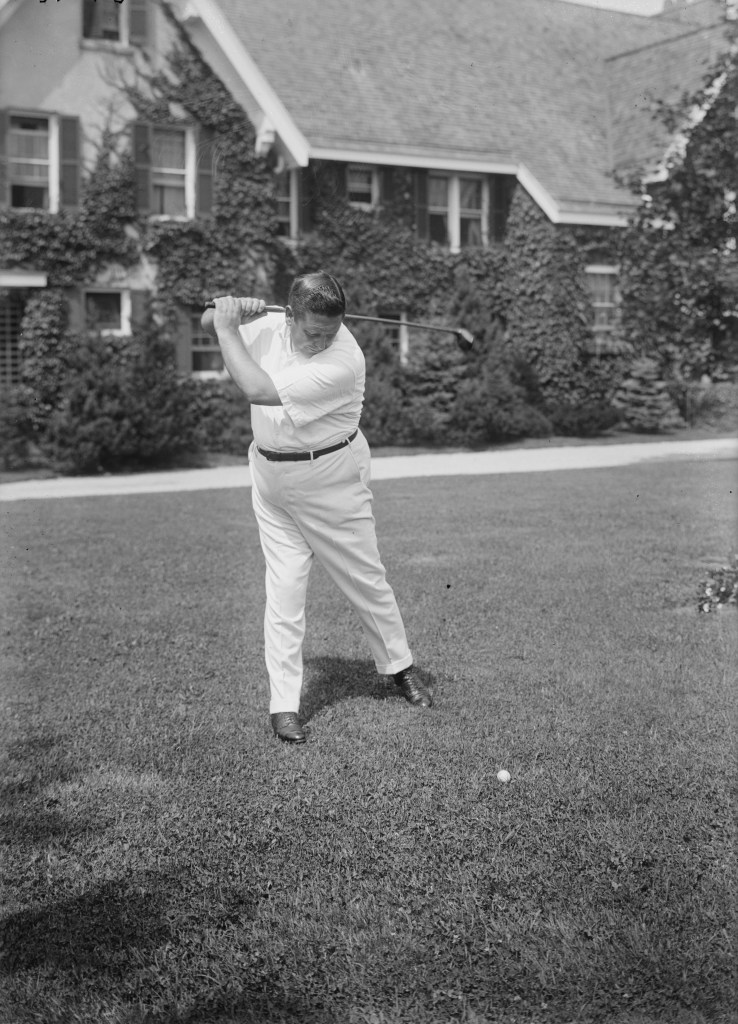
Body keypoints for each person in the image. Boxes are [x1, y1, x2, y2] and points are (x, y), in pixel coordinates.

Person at [203, 271, 433, 744]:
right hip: (271, 478)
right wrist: (228, 310)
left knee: (365, 579)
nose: (322, 341)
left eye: (331, 331)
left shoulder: (344, 360)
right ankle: (283, 705)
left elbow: (257, 389)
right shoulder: (270, 323)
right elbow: (209, 321)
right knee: (284, 590)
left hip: (331, 478)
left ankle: (400, 666)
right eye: (313, 332)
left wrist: (228, 328)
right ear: (289, 315)